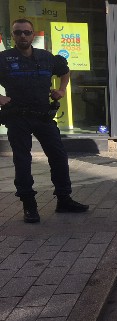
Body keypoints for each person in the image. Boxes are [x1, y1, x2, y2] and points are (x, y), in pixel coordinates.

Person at [0, 18, 89, 223]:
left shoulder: (46, 57)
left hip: (43, 116)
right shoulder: (4, 59)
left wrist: (61, 90)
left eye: (26, 32)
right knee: (23, 161)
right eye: (18, 32)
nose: (23, 36)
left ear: (33, 35)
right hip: (17, 117)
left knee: (58, 156)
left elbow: (65, 70)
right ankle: (29, 206)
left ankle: (64, 200)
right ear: (12, 36)